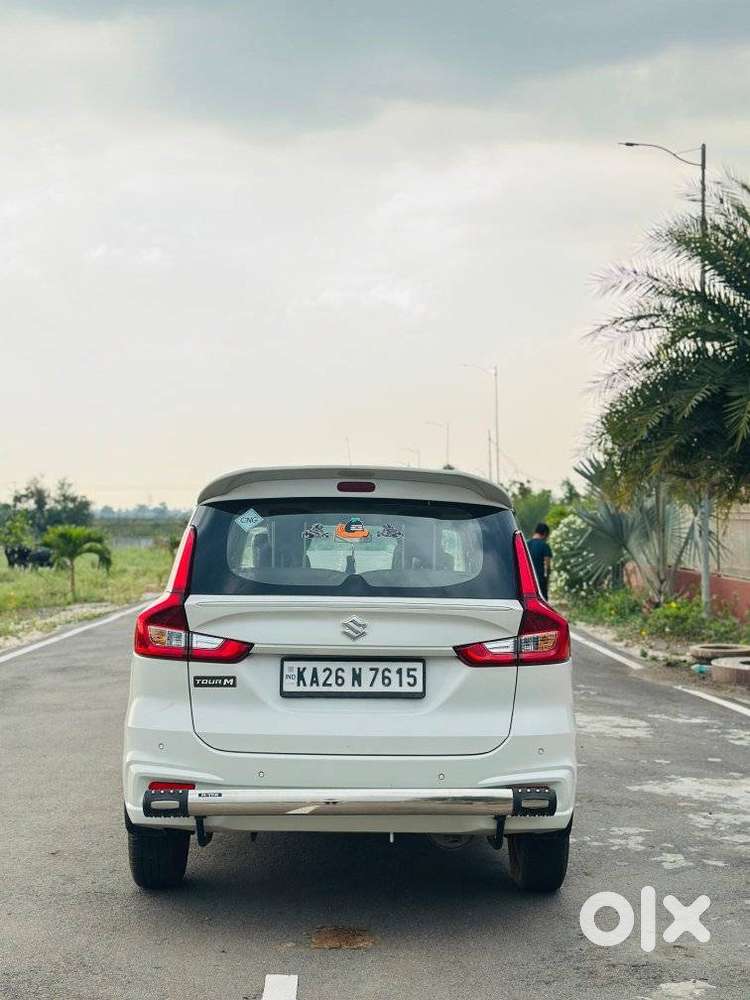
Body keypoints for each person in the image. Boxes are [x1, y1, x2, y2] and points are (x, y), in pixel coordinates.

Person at [526, 522, 552, 600]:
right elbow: (547, 566)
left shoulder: (526, 544)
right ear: (545, 534)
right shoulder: (545, 546)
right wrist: (547, 580)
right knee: (542, 601)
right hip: (540, 580)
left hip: (527, 580)